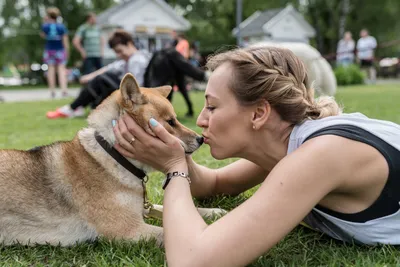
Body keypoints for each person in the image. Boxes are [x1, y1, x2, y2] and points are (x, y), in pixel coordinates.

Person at [112, 46, 400, 267]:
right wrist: (175, 151)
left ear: (260, 113)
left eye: (212, 107)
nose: (200, 120)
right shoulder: (288, 143)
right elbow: (212, 185)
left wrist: (174, 168)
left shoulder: (322, 154)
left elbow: (194, 259)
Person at [46, 29, 149, 119]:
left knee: (102, 80)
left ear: (129, 43)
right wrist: (89, 77)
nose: (119, 55)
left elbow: (138, 86)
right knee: (99, 78)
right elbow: (109, 68)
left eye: (120, 51)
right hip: (127, 93)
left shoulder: (136, 61)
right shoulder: (128, 60)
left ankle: (72, 108)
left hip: (134, 97)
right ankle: (76, 107)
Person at [40, 7, 69, 99]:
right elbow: (65, 40)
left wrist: (45, 21)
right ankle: (64, 90)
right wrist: (67, 50)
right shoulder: (61, 26)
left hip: (49, 50)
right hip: (60, 50)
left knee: (50, 71)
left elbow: (43, 35)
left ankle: (52, 91)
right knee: (61, 71)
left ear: (48, 16)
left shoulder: (45, 26)